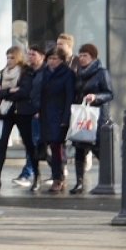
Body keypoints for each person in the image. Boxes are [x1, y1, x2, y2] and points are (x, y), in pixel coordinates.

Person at [0, 46, 37, 195]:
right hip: (7, 112)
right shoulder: (4, 73)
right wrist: (9, 91)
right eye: (7, 57)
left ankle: (36, 175)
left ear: (18, 58)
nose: (9, 61)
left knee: (28, 144)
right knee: (2, 144)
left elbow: (24, 92)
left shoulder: (26, 72)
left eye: (12, 57)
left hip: (22, 112)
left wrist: (6, 93)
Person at [70, 43, 113, 194]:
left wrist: (95, 97)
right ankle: (79, 183)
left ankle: (109, 180)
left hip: (97, 116)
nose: (81, 58)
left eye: (85, 56)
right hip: (82, 116)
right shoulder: (79, 73)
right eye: (80, 55)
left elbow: (109, 94)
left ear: (93, 57)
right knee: (79, 150)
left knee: (99, 150)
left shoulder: (102, 73)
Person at [33, 47, 75, 193]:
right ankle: (57, 175)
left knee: (57, 147)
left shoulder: (67, 74)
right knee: (50, 146)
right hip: (46, 115)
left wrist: (66, 118)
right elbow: (40, 93)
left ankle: (58, 178)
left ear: (62, 60)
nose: (51, 62)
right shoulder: (45, 73)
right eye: (50, 58)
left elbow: (70, 96)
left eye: (55, 59)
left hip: (59, 115)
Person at [13, 43, 48, 188]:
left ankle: (31, 173)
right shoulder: (26, 71)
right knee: (31, 145)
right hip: (26, 112)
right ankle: (34, 174)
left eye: (33, 54)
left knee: (40, 144)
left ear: (42, 56)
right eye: (29, 54)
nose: (30, 57)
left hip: (40, 113)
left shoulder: (46, 72)